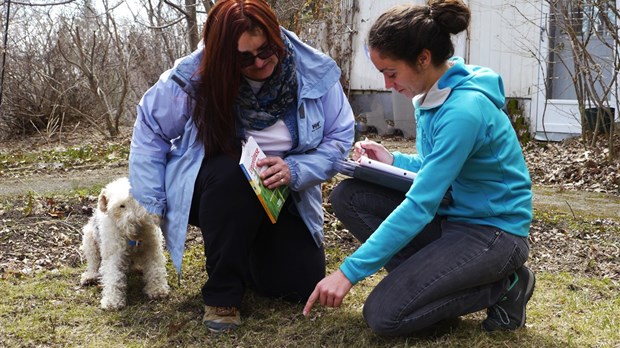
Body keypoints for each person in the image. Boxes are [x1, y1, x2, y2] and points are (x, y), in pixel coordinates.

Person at [303, 0, 535, 336]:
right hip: (455, 216)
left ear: (423, 58)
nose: (386, 84)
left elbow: (420, 205)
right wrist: (392, 160)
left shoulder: (463, 110)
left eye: (391, 73)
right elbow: (437, 165)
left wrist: (348, 272)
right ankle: (429, 289)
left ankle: (505, 286)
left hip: (494, 233)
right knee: (350, 196)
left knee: (385, 316)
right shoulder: (435, 96)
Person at [129, 0, 354, 333]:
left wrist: (296, 169)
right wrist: (153, 205)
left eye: (267, 50)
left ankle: (244, 247)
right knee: (233, 174)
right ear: (223, 56)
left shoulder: (312, 70)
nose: (261, 62)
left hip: (282, 193)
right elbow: (150, 131)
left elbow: (339, 136)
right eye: (245, 58)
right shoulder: (192, 76)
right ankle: (223, 296)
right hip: (217, 191)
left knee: (298, 285)